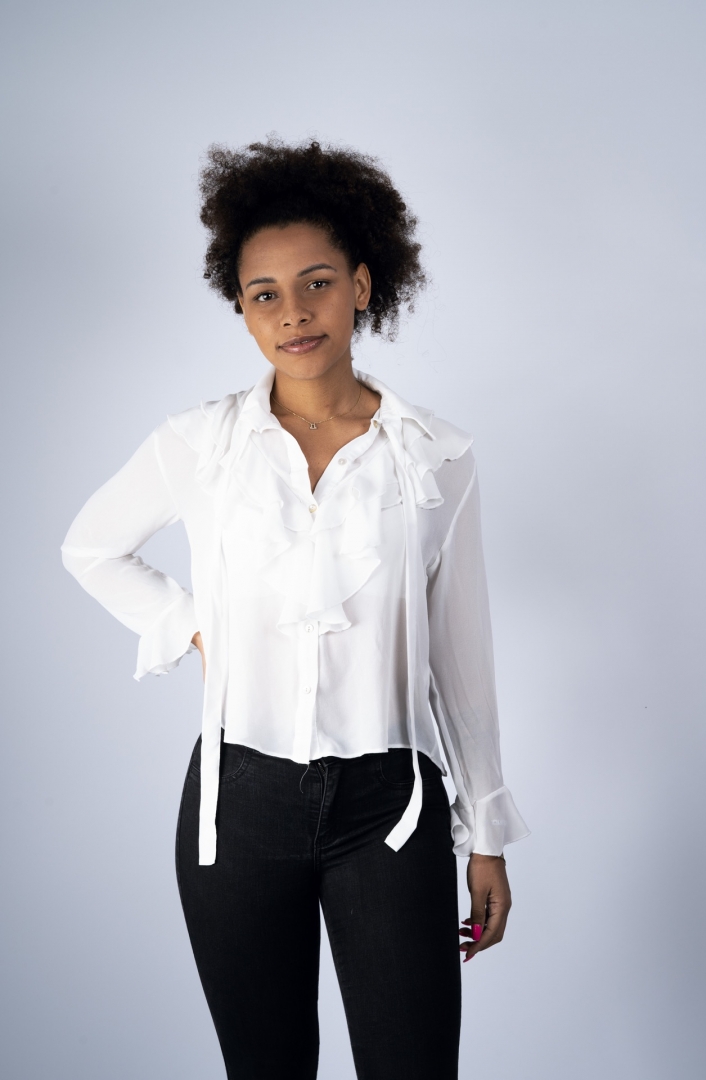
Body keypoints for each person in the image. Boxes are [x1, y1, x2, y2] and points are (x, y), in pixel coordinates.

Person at [61, 138, 529, 1080]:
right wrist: (192, 626)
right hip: (236, 810)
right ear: (241, 309)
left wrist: (486, 836)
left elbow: (460, 658)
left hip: (391, 809)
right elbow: (91, 548)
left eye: (316, 283)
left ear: (362, 285)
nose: (293, 313)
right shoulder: (199, 445)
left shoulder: (436, 457)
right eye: (264, 294)